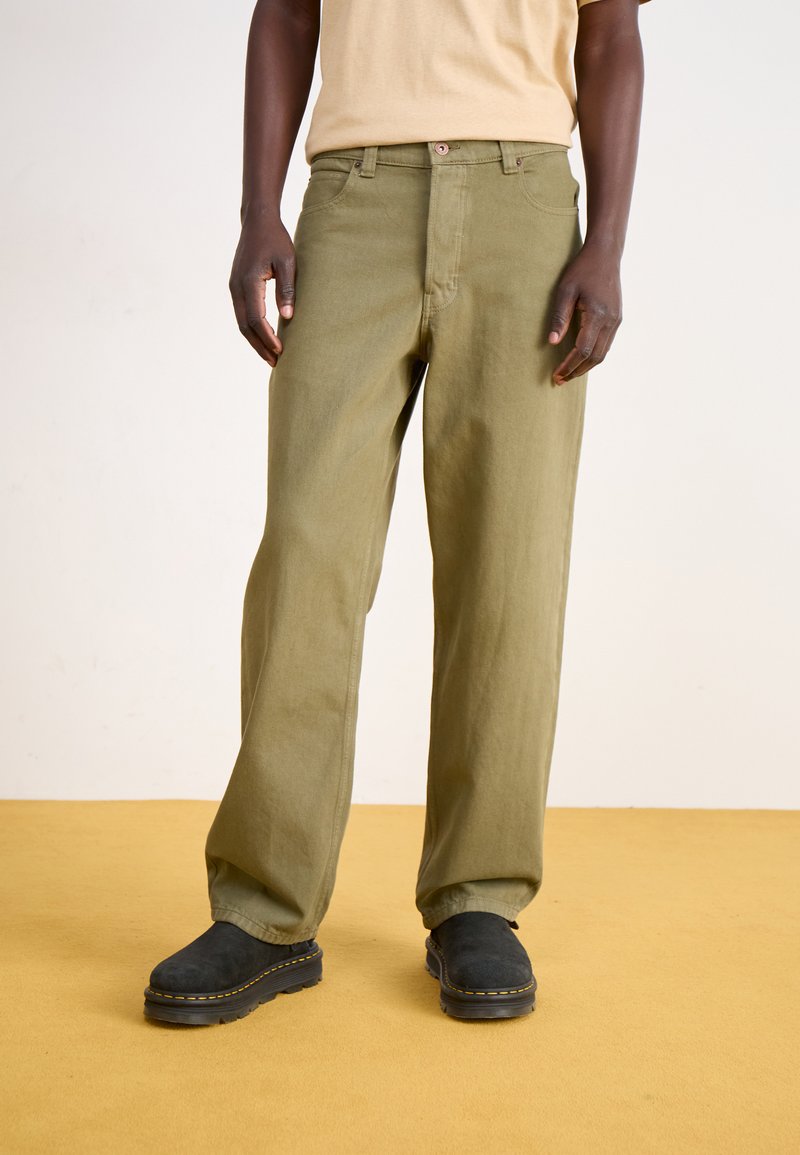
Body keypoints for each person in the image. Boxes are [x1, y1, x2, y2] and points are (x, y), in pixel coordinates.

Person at [144, 0, 650, 1025]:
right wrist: (257, 210)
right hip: (351, 198)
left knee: (507, 563)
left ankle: (478, 899)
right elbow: (285, 15)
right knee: (306, 555)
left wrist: (604, 242)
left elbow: (609, 36)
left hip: (522, 205)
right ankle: (265, 910)